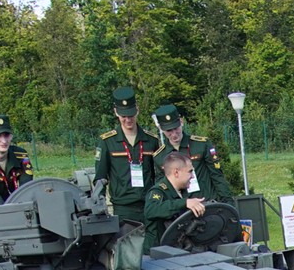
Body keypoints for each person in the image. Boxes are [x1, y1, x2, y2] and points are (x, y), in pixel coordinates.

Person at [94, 87, 158, 224]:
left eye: (131, 115)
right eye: (124, 116)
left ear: (137, 110)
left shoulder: (151, 140)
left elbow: (157, 174)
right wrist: (99, 204)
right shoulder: (107, 141)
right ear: (116, 112)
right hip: (123, 207)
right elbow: (100, 177)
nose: (128, 120)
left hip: (149, 204)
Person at [152, 103, 236, 203]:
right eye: (169, 130)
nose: (174, 134)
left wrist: (228, 204)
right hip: (182, 209)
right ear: (161, 129)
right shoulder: (160, 156)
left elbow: (217, 176)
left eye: (176, 128)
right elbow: (163, 187)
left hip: (207, 203)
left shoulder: (201, 145)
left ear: (181, 122)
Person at [142, 149, 209, 239]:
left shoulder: (183, 190)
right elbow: (151, 210)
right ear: (176, 172)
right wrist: (184, 203)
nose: (193, 176)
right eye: (190, 171)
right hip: (158, 249)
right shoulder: (158, 191)